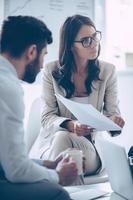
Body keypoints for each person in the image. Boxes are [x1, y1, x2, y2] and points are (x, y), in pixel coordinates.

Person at [30, 14, 125, 176]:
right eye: (86, 40)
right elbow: (47, 117)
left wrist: (115, 122)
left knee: (64, 144)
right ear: (71, 46)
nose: (94, 44)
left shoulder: (108, 71)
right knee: (62, 137)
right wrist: (71, 125)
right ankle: (62, 185)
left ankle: (53, 185)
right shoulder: (50, 71)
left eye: (95, 37)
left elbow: (112, 114)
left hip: (90, 147)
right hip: (54, 143)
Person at [0, 15, 78, 200]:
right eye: (43, 55)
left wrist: (47, 165)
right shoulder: (7, 88)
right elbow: (16, 170)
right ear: (32, 51)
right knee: (58, 194)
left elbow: (5, 159)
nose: (43, 64)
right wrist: (58, 176)